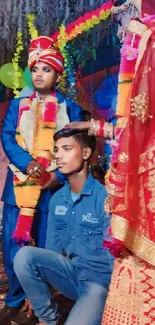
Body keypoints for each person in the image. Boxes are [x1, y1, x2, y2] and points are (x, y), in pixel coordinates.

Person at [0, 36, 82, 325]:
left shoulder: (69, 109)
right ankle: (14, 301)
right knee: (13, 248)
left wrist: (56, 177)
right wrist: (28, 163)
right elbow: (7, 137)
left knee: (47, 251)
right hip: (18, 189)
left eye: (46, 69)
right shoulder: (19, 104)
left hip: (52, 192)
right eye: (35, 68)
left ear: (57, 75)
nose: (39, 74)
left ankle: (40, 303)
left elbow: (77, 149)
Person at [13, 128, 114, 325]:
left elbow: (116, 259)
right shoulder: (58, 199)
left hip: (98, 284)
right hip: (71, 275)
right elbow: (52, 249)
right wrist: (38, 294)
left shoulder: (105, 199)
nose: (58, 156)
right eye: (56, 149)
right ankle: (48, 320)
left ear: (85, 153)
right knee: (24, 255)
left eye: (66, 149)